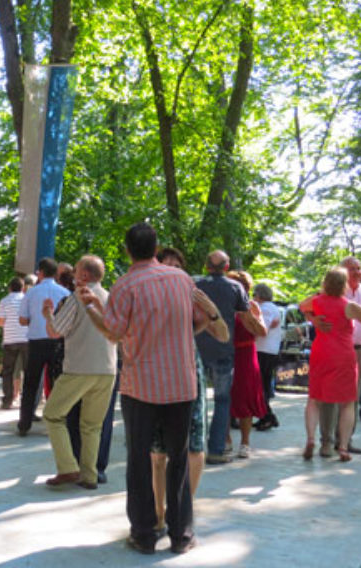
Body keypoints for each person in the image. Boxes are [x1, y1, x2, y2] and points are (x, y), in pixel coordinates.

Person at [81, 223, 212, 555]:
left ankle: (143, 534)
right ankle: (181, 536)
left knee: (140, 460)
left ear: (127, 251)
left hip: (141, 387)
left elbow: (113, 333)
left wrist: (92, 308)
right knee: (178, 459)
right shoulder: (183, 280)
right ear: (156, 248)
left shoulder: (125, 286)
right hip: (182, 384)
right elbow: (202, 320)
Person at [150, 248, 227, 537]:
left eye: (177, 265)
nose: (171, 269)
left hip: (188, 377)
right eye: (165, 264)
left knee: (195, 448)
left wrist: (211, 310)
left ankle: (181, 512)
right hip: (155, 378)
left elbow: (222, 334)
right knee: (157, 454)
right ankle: (158, 516)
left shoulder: (191, 295)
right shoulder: (147, 296)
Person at [300, 267, 361, 462]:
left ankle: (310, 439)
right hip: (343, 355)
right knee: (347, 403)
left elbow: (302, 306)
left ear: (325, 283)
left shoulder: (316, 301)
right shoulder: (349, 306)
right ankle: (343, 447)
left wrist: (313, 319)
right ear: (344, 284)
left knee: (314, 399)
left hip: (320, 353)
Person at [40, 255, 116, 490]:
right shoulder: (112, 298)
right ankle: (90, 475)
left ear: (83, 276)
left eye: (76, 272)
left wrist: (48, 315)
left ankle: (67, 467)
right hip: (108, 369)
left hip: (79, 368)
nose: (73, 276)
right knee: (92, 425)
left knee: (53, 415)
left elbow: (55, 332)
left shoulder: (76, 297)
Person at [313, 256, 361, 457]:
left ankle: (345, 441)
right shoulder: (326, 294)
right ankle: (326, 442)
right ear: (342, 272)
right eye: (352, 269)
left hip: (357, 351)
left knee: (351, 398)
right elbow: (306, 307)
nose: (357, 272)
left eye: (359, 268)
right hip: (331, 352)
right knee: (328, 399)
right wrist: (314, 319)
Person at [194, 250, 251, 464]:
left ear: (206, 266)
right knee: (222, 400)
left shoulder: (195, 285)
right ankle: (217, 449)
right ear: (227, 267)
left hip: (197, 348)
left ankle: (192, 448)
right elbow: (245, 314)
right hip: (223, 349)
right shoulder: (235, 287)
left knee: (193, 400)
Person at [16, 258, 69, 435]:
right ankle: (58, 421)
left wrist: (35, 319)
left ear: (40, 272)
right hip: (57, 342)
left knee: (31, 383)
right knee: (57, 383)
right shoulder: (64, 292)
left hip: (36, 342)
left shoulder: (31, 293)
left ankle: (25, 423)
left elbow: (22, 320)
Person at [225, 271, 268, 459]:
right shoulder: (221, 305)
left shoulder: (252, 306)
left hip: (246, 354)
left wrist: (247, 316)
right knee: (223, 398)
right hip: (226, 354)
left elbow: (262, 332)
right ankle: (225, 439)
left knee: (245, 398)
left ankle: (245, 442)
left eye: (239, 285)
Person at [0, 277, 29, 409]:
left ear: (9, 288)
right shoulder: (27, 300)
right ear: (23, 288)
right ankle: (27, 401)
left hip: (10, 340)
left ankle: (7, 400)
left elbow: (1, 322)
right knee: (28, 371)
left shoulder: (4, 301)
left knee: (8, 371)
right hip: (26, 339)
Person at [253, 283, 282, 430]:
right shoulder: (272, 308)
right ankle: (263, 415)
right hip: (268, 350)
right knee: (261, 385)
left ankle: (268, 416)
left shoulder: (265, 308)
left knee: (261, 386)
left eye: (254, 295)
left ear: (259, 295)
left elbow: (261, 328)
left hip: (264, 351)